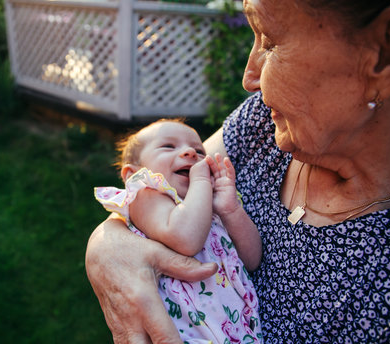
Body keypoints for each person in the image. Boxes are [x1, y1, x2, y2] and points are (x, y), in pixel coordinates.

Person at [85, 0, 390, 342]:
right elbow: (165, 187)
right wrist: (105, 247)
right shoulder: (269, 120)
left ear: (388, 52)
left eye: (269, 40)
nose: (250, 79)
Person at [94, 119, 263, 343]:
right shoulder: (147, 194)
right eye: (168, 146)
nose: (190, 152)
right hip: (187, 331)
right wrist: (201, 179)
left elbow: (251, 260)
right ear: (131, 174)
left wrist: (231, 210)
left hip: (236, 330)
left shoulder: (208, 203)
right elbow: (186, 240)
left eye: (199, 150)